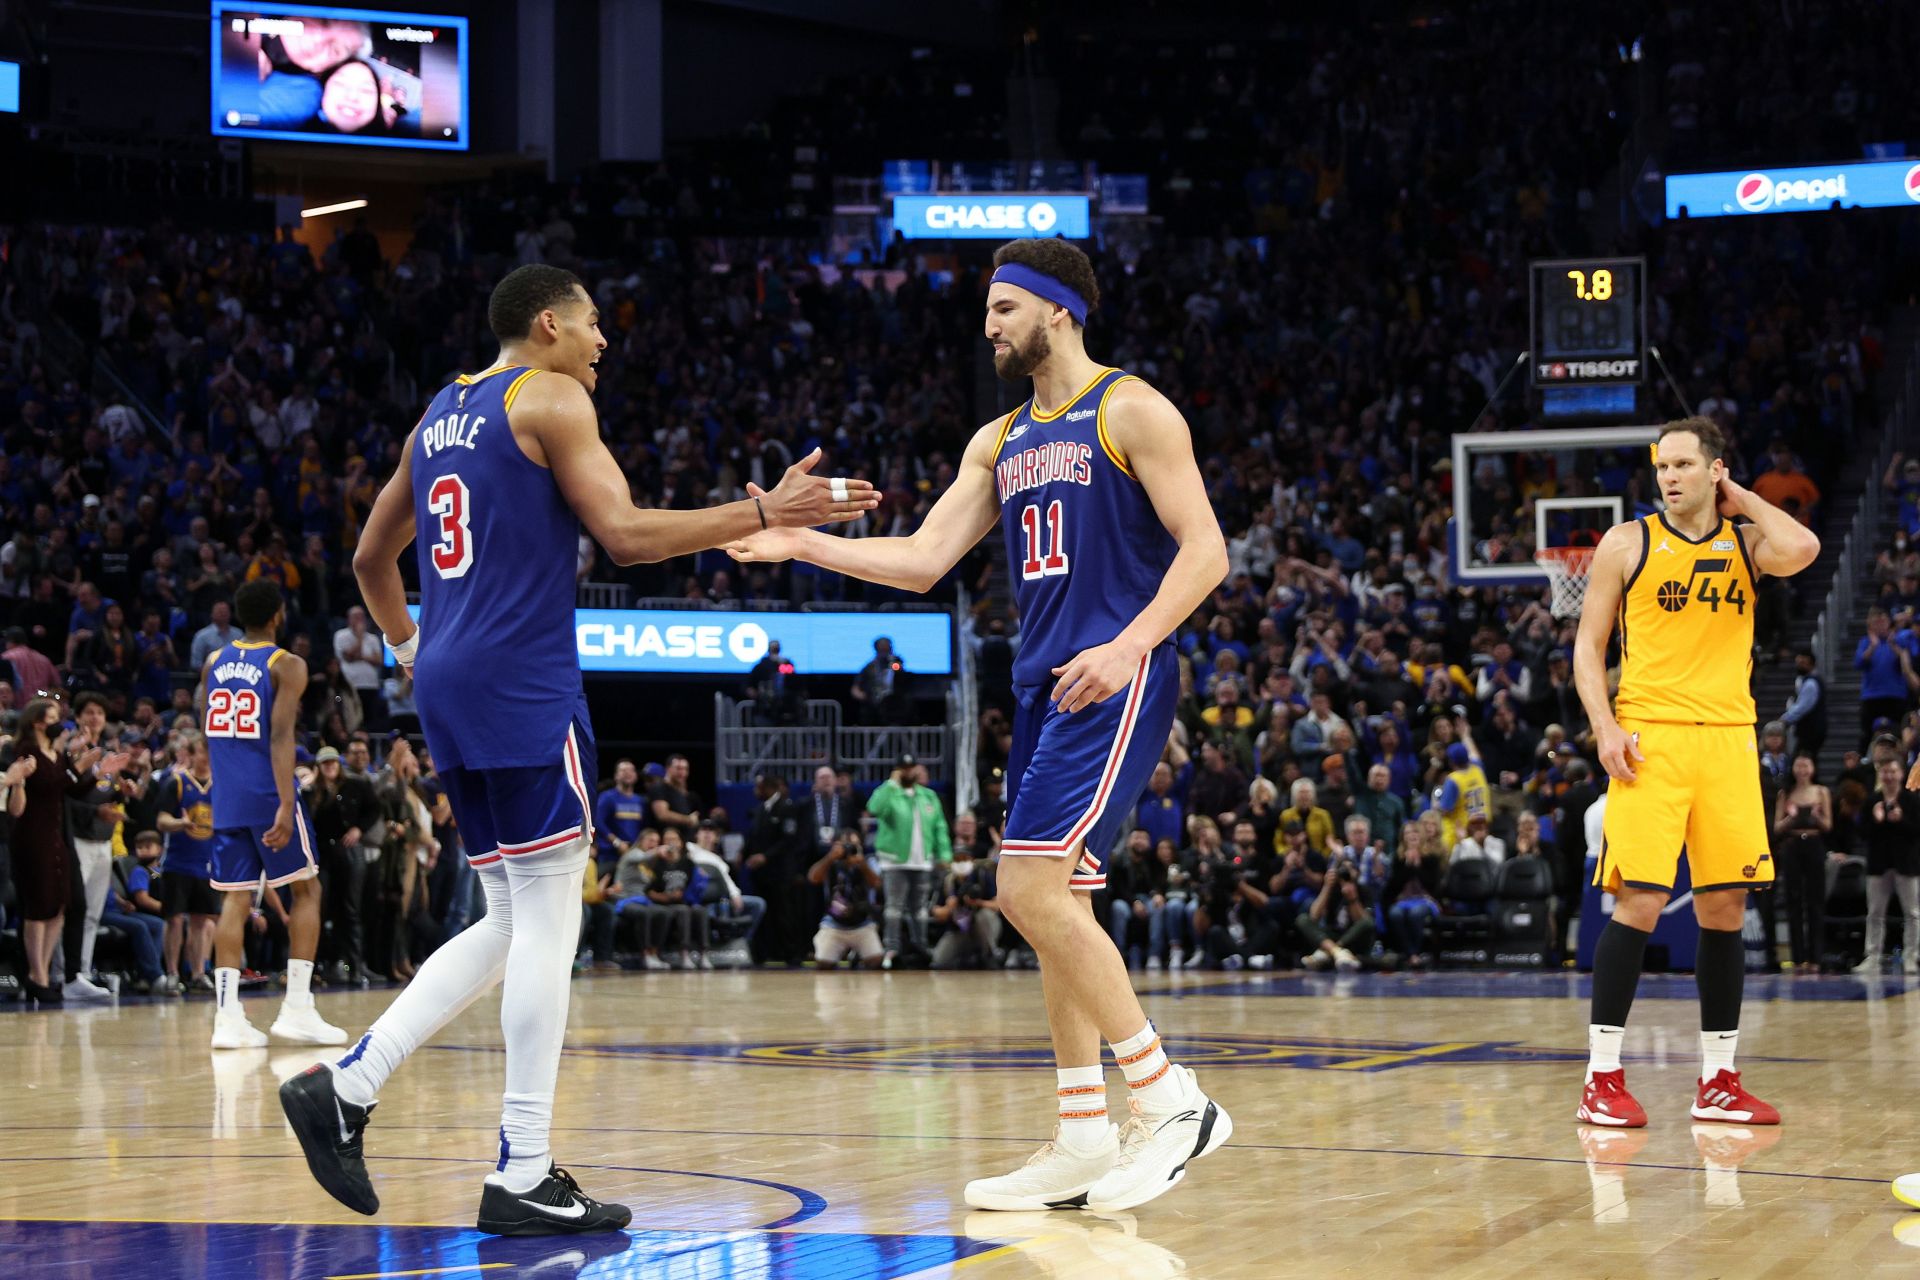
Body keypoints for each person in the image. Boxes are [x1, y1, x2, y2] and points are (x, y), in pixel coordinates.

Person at [281, 262, 872, 1235]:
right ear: (549, 323)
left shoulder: (439, 409)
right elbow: (630, 536)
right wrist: (765, 513)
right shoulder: (549, 395)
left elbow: (366, 558)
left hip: (448, 680)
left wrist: (412, 647)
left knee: (510, 913)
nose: (605, 343)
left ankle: (353, 1084)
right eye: (595, 324)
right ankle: (519, 1165)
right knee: (552, 919)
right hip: (522, 679)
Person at [726, 236, 1232, 1212]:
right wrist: (800, 540)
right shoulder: (998, 439)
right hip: (1046, 687)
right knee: (1059, 906)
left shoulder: (1130, 408)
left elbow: (1207, 549)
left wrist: (1130, 644)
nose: (989, 322)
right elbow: (922, 560)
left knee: (1026, 887)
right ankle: (1085, 1131)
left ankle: (1172, 1099)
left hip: (1113, 675)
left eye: (1005, 306)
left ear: (1058, 311)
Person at [1574, 416, 1818, 1129]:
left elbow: (1802, 546)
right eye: (1661, 467)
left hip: (1730, 742)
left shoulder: (1746, 543)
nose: (1670, 477)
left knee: (1725, 911)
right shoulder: (1627, 542)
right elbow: (1588, 650)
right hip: (1652, 740)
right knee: (1641, 904)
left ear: (1714, 469)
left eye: (1684, 464)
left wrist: (1739, 496)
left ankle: (1718, 1082)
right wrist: (1604, 727)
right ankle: (1602, 1078)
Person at [201, 579, 346, 1049]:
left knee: (235, 899)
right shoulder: (287, 664)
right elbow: (281, 737)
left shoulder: (212, 662)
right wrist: (286, 803)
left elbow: (211, 734)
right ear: (279, 614)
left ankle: (227, 1019)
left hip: (226, 796)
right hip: (267, 791)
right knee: (307, 889)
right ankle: (297, 1008)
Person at [8, 698, 123, 1003]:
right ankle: (36, 974)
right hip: (32, 835)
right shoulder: (26, 752)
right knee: (38, 906)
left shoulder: (55, 753)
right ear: (37, 722)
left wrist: (97, 774)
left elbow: (70, 790)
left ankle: (43, 970)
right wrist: (79, 768)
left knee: (59, 905)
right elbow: (46, 786)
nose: (59, 721)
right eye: (53, 716)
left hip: (57, 834)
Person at [867, 754, 952, 966]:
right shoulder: (890, 793)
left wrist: (944, 855)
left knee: (920, 909)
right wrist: (891, 784)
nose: (909, 772)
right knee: (894, 908)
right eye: (904, 768)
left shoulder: (929, 797)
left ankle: (921, 947)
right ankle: (892, 949)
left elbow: (940, 827)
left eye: (912, 767)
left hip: (922, 861)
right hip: (895, 861)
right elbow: (874, 809)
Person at [155, 731, 221, 994]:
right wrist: (180, 823)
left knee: (201, 921)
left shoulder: (220, 786)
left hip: (207, 863)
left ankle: (198, 972)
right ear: (193, 755)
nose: (208, 757)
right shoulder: (177, 783)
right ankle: (172, 973)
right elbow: (161, 820)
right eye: (204, 751)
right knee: (174, 919)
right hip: (177, 862)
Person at [1853, 756, 1920, 975]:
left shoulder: (1911, 800)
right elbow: (1862, 834)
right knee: (1875, 913)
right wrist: (1876, 820)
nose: (1889, 776)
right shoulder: (1872, 800)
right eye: (1885, 772)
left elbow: (1916, 832)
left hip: (1906, 864)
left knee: (1912, 913)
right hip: (1879, 864)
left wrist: (1901, 820)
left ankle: (1911, 957)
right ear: (1879, 775)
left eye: (1893, 771)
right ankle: (1873, 956)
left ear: (1901, 774)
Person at [1772, 752, 1833, 976]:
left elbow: (1828, 825)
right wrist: (1791, 818)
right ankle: (1798, 959)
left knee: (1815, 902)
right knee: (1793, 901)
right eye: (1798, 765)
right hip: (1792, 845)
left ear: (1813, 768)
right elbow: (1776, 828)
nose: (1802, 770)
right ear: (1793, 768)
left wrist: (1815, 816)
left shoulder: (1821, 791)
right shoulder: (1786, 793)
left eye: (1806, 765)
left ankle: (1816, 958)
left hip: (1814, 843)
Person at [809, 834, 884, 967]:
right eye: (846, 845)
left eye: (855, 845)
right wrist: (830, 857)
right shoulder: (831, 863)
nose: (850, 849)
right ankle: (839, 952)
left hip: (862, 923)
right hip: (834, 923)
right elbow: (813, 878)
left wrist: (863, 866)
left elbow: (877, 884)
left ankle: (855, 953)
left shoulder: (867, 862)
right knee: (824, 963)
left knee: (875, 961)